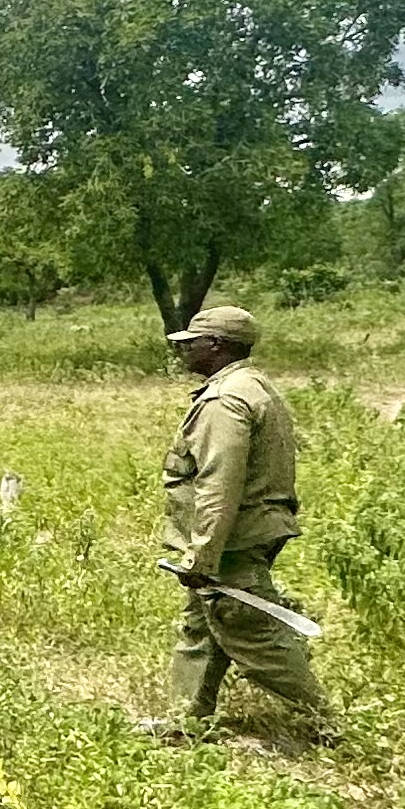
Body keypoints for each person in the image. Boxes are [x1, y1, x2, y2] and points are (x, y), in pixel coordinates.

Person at [146, 303, 335, 742]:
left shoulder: (225, 400)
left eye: (191, 344)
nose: (183, 352)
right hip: (245, 530)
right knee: (202, 627)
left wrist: (202, 553)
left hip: (233, 537)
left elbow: (219, 483)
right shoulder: (251, 386)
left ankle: (326, 723)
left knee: (252, 632)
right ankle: (185, 721)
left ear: (215, 346)